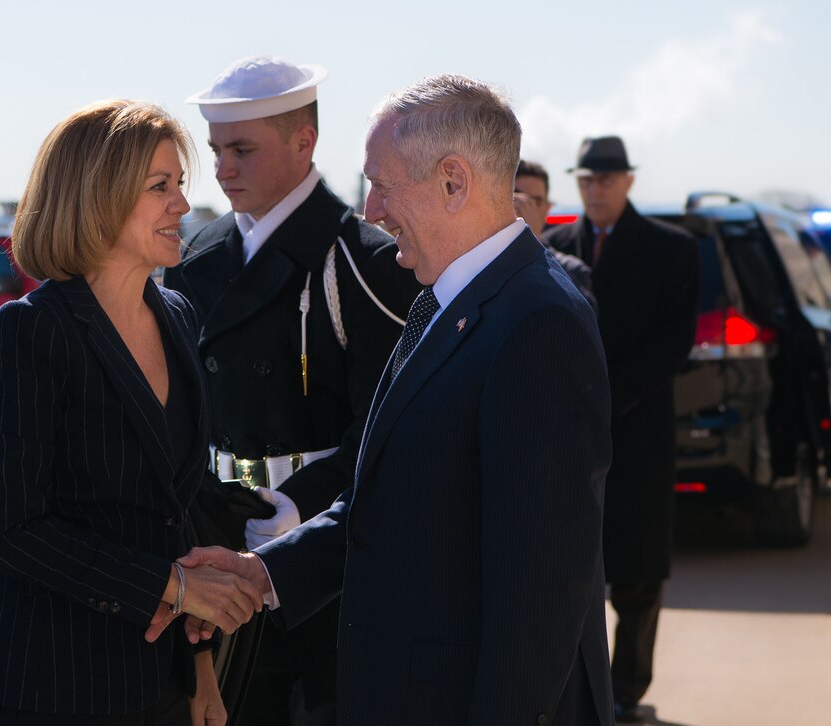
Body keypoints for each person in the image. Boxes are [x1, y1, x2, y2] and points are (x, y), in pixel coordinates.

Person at [157, 75, 615, 725]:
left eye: (384, 184)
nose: (370, 210)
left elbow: (540, 593)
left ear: (454, 182)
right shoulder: (439, 299)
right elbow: (385, 503)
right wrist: (263, 574)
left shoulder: (538, 325)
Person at [0, 99, 264, 726]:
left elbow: (178, 510)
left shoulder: (176, 314)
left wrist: (201, 670)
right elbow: (10, 530)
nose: (182, 204)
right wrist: (170, 587)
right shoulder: (29, 331)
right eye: (159, 187)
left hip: (161, 684)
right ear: (98, 197)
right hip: (52, 685)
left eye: (180, 184)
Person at [164, 56, 419, 726]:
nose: (222, 170)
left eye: (242, 149)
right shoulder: (194, 259)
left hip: (330, 554)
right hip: (221, 542)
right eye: (216, 151)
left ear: (304, 142)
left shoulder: (364, 260)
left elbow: (386, 427)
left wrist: (294, 507)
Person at [544, 135, 698, 723]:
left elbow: (673, 345)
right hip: (572, 435)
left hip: (638, 430)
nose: (595, 189)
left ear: (629, 181)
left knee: (637, 569)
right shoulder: (556, 246)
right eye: (586, 179)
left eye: (605, 179)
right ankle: (579, 687)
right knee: (576, 566)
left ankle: (629, 690)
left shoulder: (672, 249)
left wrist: (607, 394)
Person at [514, 159, 597, 314]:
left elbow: (584, 319)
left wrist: (530, 243)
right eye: (517, 198)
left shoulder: (571, 269)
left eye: (535, 202)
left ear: (548, 208)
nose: (525, 208)